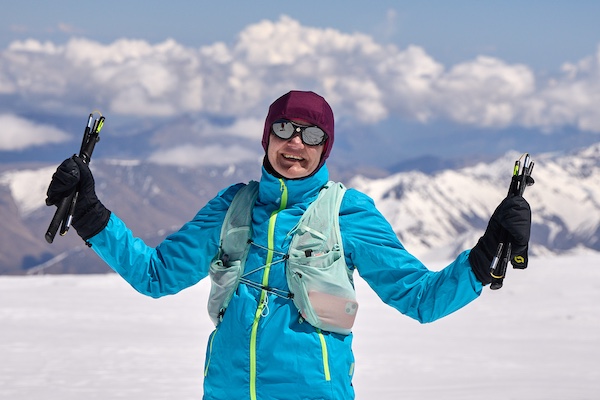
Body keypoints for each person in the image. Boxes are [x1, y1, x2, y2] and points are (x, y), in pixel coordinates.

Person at [45, 90, 531, 400]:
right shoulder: (232, 206)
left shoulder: (347, 212)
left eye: (311, 134)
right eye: (283, 129)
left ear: (325, 147)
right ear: (266, 138)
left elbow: (420, 299)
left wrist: (485, 253)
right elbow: (157, 276)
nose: (295, 143)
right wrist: (91, 214)